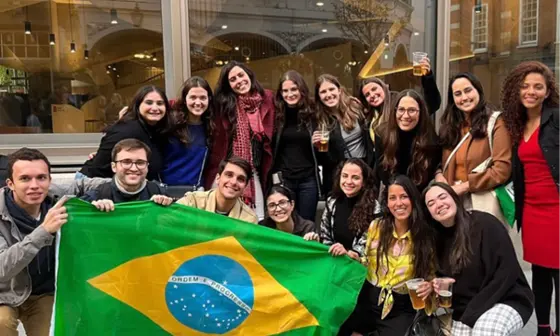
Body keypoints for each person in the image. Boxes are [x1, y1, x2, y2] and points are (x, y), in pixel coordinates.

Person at [0, 147, 103, 336]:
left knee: (55, 330)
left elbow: (98, 185)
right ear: (10, 184)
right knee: (1, 323)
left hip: (44, 293)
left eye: (41, 177)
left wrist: (101, 198)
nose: (35, 185)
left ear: (49, 179)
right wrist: (43, 231)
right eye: (25, 179)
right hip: (5, 294)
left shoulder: (54, 194)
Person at [423, 182, 534, 336]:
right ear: (429, 213)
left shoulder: (485, 224)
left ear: (455, 198)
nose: (439, 204)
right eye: (431, 203)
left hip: (507, 298)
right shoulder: (436, 242)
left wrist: (473, 313)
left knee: (484, 330)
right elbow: (455, 285)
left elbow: (507, 272)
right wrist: (444, 283)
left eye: (443, 197)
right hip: (468, 308)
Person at [501, 60, 560, 336]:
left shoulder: (557, 118)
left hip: (557, 207)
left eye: (538, 87)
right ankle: (543, 329)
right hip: (532, 210)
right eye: (525, 86)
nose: (531, 92)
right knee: (539, 272)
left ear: (548, 92)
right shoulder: (516, 124)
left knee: (559, 273)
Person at [343, 175, 434, 336]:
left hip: (400, 306)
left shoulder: (424, 236)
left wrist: (429, 285)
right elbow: (366, 260)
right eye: (392, 198)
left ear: (413, 199)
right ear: (387, 203)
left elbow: (430, 274)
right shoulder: (376, 226)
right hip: (369, 297)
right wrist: (354, 258)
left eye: (404, 197)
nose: (398, 203)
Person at [204, 61, 275, 220]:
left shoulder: (267, 100)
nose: (239, 81)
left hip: (252, 171)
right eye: (233, 79)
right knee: (217, 220)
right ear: (228, 85)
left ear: (249, 75)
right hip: (226, 171)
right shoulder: (223, 105)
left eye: (241, 75)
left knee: (257, 218)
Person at [438, 73, 511, 215]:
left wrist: (465, 186)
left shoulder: (496, 122)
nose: (464, 98)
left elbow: (502, 170)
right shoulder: (450, 127)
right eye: (457, 94)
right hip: (452, 203)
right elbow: (439, 163)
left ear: (478, 90)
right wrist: (439, 175)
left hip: (480, 203)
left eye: (468, 90)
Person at [79, 86, 173, 181]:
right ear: (138, 105)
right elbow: (98, 166)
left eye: (160, 103)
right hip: (94, 184)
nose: (155, 108)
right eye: (149, 103)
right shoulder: (128, 130)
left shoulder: (155, 130)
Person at [304, 158, 380, 259]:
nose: (348, 181)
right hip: (334, 261)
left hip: (359, 267)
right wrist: (317, 240)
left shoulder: (374, 208)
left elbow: (368, 248)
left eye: (355, 178)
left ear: (364, 182)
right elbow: (325, 236)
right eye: (344, 176)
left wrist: (348, 254)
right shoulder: (332, 202)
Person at [271, 70, 321, 221]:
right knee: (285, 222)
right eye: (285, 91)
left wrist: (318, 147)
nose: (289, 94)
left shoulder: (313, 113)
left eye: (294, 89)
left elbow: (320, 155)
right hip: (285, 179)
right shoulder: (277, 115)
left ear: (301, 90)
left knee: (307, 224)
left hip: (308, 179)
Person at [312, 74, 373, 195]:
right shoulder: (319, 119)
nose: (328, 95)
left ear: (339, 90)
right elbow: (324, 161)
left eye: (331, 89)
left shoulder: (355, 107)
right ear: (319, 96)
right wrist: (318, 148)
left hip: (363, 169)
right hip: (339, 175)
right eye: (323, 92)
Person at [358, 56, 441, 142]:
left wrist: (428, 77)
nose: (372, 95)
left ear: (384, 87)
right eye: (367, 94)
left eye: (374, 89)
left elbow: (432, 104)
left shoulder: (399, 102)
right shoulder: (369, 116)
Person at [374, 89, 441, 192]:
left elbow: (430, 173)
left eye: (411, 110)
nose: (405, 116)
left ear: (421, 113)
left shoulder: (430, 139)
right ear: (395, 111)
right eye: (401, 109)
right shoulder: (382, 134)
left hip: (420, 195)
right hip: (393, 193)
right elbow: (382, 171)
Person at [82, 139, 173, 210]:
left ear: (147, 166)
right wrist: (91, 210)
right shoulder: (97, 195)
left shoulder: (159, 192)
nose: (134, 168)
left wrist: (166, 209)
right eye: (126, 162)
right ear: (114, 167)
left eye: (140, 163)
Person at [162, 76, 214, 187]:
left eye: (203, 98)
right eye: (193, 97)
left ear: (209, 99)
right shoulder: (169, 124)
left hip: (195, 194)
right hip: (166, 192)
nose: (198, 102)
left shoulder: (211, 127)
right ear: (185, 100)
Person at [178, 156, 258, 224]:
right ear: (218, 178)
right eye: (229, 175)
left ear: (245, 187)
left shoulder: (249, 219)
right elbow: (169, 220)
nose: (233, 182)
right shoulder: (193, 201)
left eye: (240, 179)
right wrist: (166, 204)